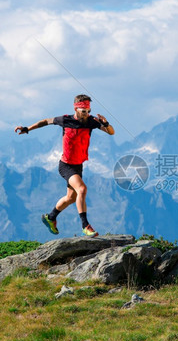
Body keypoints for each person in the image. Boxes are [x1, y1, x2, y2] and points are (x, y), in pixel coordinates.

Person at [14, 94, 115, 237]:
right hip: (66, 166)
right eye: (84, 111)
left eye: (89, 111)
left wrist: (105, 123)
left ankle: (50, 217)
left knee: (71, 198)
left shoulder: (91, 122)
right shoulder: (65, 120)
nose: (87, 114)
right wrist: (27, 128)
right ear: (76, 109)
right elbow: (45, 122)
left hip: (78, 165)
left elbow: (111, 132)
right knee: (82, 189)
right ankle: (85, 225)